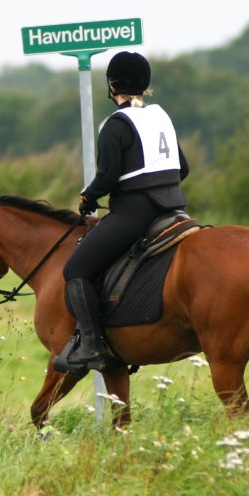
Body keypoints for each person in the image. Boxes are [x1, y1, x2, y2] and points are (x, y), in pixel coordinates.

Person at [56, 50, 190, 373]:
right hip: (174, 207)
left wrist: (89, 197)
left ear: (111, 85)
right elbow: (182, 168)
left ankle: (90, 343)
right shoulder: (161, 117)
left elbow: (108, 177)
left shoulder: (114, 125)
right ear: (145, 85)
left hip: (135, 213)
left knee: (76, 268)